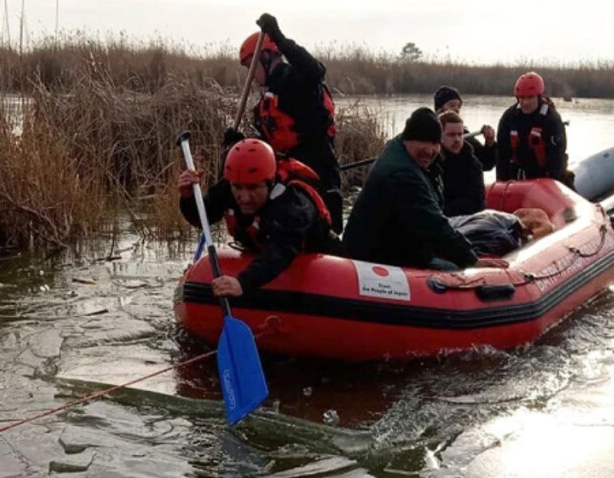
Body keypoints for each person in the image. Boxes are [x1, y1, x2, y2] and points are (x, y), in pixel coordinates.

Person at [343, 108, 508, 271]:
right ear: (409, 139)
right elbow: (431, 221)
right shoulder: (402, 174)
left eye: (434, 143)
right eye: (423, 142)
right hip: (375, 259)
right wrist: (471, 260)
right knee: (454, 271)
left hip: (397, 247)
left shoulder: (403, 153)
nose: (429, 150)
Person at [226, 13, 344, 234]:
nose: (250, 75)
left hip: (320, 178)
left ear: (268, 57)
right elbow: (266, 148)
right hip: (292, 183)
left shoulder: (296, 82)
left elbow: (315, 70)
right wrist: (237, 145)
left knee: (324, 234)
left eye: (252, 65)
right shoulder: (266, 101)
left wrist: (278, 37)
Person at [178, 138, 335, 296]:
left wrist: (243, 283)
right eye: (238, 188)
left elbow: (281, 250)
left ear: (270, 181)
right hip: (262, 256)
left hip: (318, 259)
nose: (244, 197)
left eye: (253, 188)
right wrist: (188, 197)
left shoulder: (293, 202)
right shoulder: (229, 186)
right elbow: (202, 218)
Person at [495, 72, 574, 189]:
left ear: (538, 96)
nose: (525, 102)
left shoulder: (551, 120)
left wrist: (550, 187)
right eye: (521, 97)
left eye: (530, 97)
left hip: (546, 176)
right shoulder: (509, 118)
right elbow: (502, 157)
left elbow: (557, 159)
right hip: (518, 177)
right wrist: (501, 186)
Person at [433, 85, 497, 170]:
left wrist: (490, 143)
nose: (456, 109)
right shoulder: (429, 136)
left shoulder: (465, 137)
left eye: (458, 106)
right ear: (439, 109)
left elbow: (485, 163)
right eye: (452, 105)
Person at [437, 110, 486, 217]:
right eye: (451, 135)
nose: (457, 139)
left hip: (465, 219)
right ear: (439, 136)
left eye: (460, 135)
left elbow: (476, 202)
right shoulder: (430, 162)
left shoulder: (473, 164)